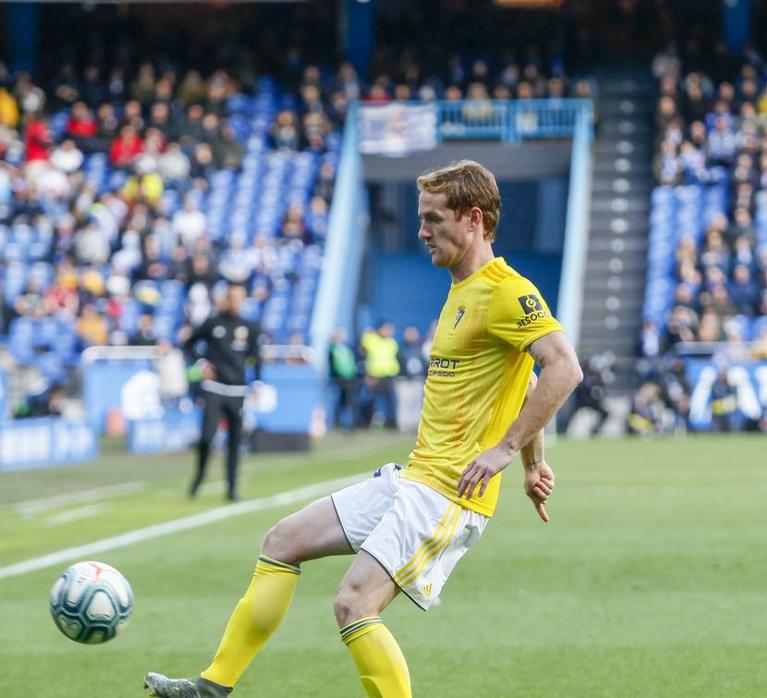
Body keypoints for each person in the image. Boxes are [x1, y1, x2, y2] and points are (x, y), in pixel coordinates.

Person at [144, 160, 582, 698]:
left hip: (449, 493)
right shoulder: (460, 289)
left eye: (433, 218)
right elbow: (526, 373)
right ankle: (212, 688)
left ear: (473, 220)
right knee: (282, 541)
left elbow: (564, 366)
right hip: (417, 478)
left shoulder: (506, 290)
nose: (421, 230)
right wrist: (533, 464)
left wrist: (509, 450)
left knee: (354, 604)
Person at [183, 283, 262, 502]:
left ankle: (232, 488)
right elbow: (188, 343)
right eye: (232, 298)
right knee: (207, 437)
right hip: (214, 388)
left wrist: (257, 384)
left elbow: (257, 358)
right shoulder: (213, 323)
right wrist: (201, 364)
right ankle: (199, 475)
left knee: (235, 441)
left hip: (237, 390)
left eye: (239, 298)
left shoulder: (250, 327)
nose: (235, 302)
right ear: (225, 299)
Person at [360, 321, 400, 429]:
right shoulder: (370, 339)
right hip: (374, 376)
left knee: (391, 401)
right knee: (371, 401)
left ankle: (392, 423)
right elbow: (361, 350)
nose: (389, 331)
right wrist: (366, 374)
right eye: (387, 329)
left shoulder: (392, 342)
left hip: (389, 375)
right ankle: (366, 423)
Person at [328, 328, 361, 431]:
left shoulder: (347, 348)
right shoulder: (333, 349)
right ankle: (338, 423)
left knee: (351, 402)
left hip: (350, 378)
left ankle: (353, 424)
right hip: (339, 379)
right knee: (341, 402)